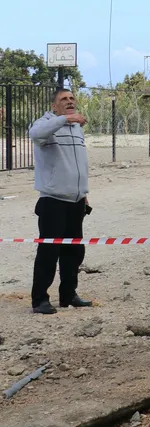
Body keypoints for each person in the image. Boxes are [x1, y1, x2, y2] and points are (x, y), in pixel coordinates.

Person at [28, 87, 93, 314]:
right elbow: (35, 134)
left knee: (74, 252)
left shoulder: (76, 129)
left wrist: (83, 193)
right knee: (48, 253)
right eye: (63, 99)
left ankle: (68, 295)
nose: (69, 101)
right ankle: (39, 300)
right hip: (53, 201)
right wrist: (65, 118)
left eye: (72, 98)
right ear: (54, 106)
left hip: (76, 201)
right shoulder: (44, 124)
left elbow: (77, 165)